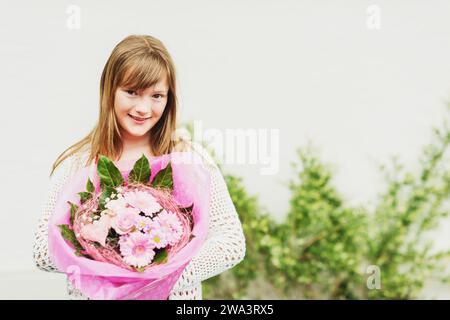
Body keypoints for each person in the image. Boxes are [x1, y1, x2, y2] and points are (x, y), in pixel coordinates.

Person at [33, 34, 246, 300]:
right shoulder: (79, 162)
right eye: (132, 92)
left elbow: (231, 244)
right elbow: (43, 250)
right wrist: (114, 266)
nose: (143, 108)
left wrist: (157, 280)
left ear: (169, 98)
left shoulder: (187, 157)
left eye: (156, 95)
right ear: (110, 89)